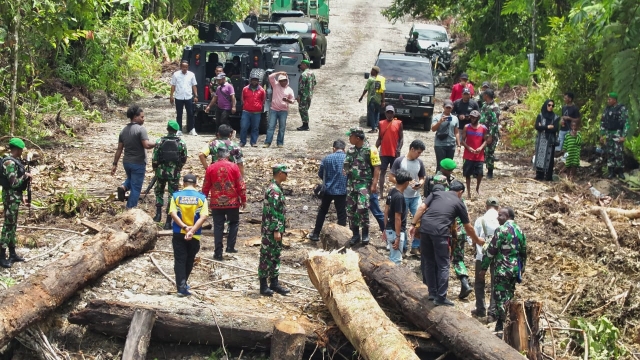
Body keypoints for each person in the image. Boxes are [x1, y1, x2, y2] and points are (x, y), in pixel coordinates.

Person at [409, 180, 483, 306]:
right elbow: (468, 226)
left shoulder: (436, 193)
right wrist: (477, 240)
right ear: (460, 192)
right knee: (443, 264)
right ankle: (441, 297)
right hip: (440, 232)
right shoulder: (459, 202)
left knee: (429, 261)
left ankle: (432, 293)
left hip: (425, 230)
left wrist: (413, 224)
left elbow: (422, 207)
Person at [479, 207, 527, 333]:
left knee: (500, 299)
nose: (497, 217)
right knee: (509, 297)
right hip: (514, 270)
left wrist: (483, 268)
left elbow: (491, 250)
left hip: (502, 270)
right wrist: (522, 270)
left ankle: (507, 326)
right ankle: (501, 325)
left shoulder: (501, 230)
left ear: (507, 217)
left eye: (500, 215)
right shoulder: (520, 231)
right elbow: (524, 253)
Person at [202, 147, 247, 260]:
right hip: (232, 201)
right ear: (228, 156)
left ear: (217, 156)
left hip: (216, 202)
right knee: (234, 222)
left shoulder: (211, 167)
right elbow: (240, 184)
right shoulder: (234, 167)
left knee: (218, 226)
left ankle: (218, 252)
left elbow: (206, 185)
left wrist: (203, 199)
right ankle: (230, 246)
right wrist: (243, 199)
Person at [169, 174, 208, 296]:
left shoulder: (176, 196)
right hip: (195, 235)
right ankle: (183, 284)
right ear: (196, 184)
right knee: (189, 259)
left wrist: (185, 227)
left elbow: (173, 214)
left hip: (179, 233)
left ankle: (181, 286)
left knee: (180, 260)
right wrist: (192, 230)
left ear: (183, 183)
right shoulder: (201, 198)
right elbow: (204, 216)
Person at [112, 105, 156, 209]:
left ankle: (123, 187)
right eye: (142, 117)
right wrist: (157, 143)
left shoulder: (123, 131)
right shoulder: (141, 130)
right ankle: (130, 208)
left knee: (131, 179)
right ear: (135, 117)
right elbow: (146, 145)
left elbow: (119, 149)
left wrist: (115, 164)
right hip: (138, 162)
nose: (143, 119)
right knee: (136, 187)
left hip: (126, 162)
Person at [344, 127, 381, 246]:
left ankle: (365, 233)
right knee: (351, 210)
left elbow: (377, 167)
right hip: (351, 184)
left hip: (364, 184)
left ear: (358, 138)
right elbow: (346, 166)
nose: (349, 138)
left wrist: (374, 184)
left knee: (362, 208)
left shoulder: (371, 149)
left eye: (351, 136)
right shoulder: (350, 150)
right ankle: (355, 234)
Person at [389, 140, 426, 255]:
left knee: (420, 220)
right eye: (418, 152)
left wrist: (420, 184)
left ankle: (415, 246)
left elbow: (422, 177)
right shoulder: (400, 161)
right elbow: (391, 177)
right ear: (412, 149)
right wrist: (403, 183)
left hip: (415, 196)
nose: (419, 155)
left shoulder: (419, 162)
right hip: (402, 196)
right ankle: (403, 247)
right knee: (401, 222)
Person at [258, 164, 290, 296]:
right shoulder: (273, 190)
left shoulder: (277, 188)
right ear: (280, 173)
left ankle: (274, 283)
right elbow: (272, 211)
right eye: (285, 173)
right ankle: (263, 285)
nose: (287, 175)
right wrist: (276, 229)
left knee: (275, 255)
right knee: (267, 256)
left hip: (276, 228)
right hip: (271, 230)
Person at [0, 138, 31, 268]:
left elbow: (18, 186)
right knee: (8, 226)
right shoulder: (8, 162)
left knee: (13, 226)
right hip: (10, 197)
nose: (22, 152)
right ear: (17, 149)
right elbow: (13, 183)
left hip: (15, 197)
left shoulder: (15, 161)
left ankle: (12, 253)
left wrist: (23, 197)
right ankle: (1, 255)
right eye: (21, 149)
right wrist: (26, 176)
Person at [152, 120, 188, 229]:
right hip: (174, 173)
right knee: (172, 196)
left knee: (159, 191)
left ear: (167, 129)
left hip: (161, 172)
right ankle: (168, 221)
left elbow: (154, 158)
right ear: (176, 130)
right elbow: (183, 159)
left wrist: (156, 169)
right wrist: (178, 168)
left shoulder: (159, 141)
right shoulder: (181, 143)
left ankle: (158, 215)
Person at [310, 140, 348, 241]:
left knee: (322, 211)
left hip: (328, 189)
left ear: (333, 148)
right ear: (344, 149)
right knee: (341, 214)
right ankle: (342, 237)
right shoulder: (347, 158)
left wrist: (328, 180)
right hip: (342, 190)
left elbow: (320, 173)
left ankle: (316, 234)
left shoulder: (327, 158)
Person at [471, 197, 501, 321]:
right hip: (497, 256)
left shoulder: (480, 220)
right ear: (498, 207)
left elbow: (473, 238)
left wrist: (476, 244)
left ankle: (480, 309)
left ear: (486, 206)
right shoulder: (501, 220)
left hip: (481, 255)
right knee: (495, 283)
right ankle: (492, 313)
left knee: (479, 282)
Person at [383, 169, 413, 265]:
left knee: (392, 256)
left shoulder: (392, 191)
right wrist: (398, 236)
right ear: (406, 182)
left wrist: (385, 228)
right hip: (395, 231)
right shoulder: (399, 197)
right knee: (396, 260)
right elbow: (397, 218)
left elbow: (386, 210)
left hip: (389, 229)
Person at [376, 105, 404, 197]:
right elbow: (380, 138)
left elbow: (401, 138)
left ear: (394, 113)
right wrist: (374, 148)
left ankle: (396, 192)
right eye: (388, 112)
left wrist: (398, 149)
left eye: (391, 112)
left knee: (395, 173)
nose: (389, 114)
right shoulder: (381, 123)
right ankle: (381, 193)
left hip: (394, 152)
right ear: (385, 113)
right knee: (382, 172)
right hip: (383, 152)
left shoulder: (398, 123)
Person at [600, 92, 629, 179]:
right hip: (609, 134)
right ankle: (611, 171)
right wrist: (602, 135)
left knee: (618, 153)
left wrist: (624, 136)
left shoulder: (622, 108)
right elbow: (603, 122)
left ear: (614, 100)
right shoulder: (607, 109)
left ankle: (620, 171)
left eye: (609, 99)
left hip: (618, 134)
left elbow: (626, 123)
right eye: (608, 99)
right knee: (610, 153)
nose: (608, 101)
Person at [461, 110, 489, 198]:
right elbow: (462, 140)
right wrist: (469, 148)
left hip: (479, 155)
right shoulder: (467, 127)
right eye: (471, 117)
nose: (472, 119)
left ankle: (477, 188)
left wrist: (480, 148)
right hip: (468, 154)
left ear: (478, 118)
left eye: (474, 117)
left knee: (480, 173)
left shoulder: (483, 128)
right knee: (467, 174)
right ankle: (468, 191)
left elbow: (485, 140)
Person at [264, 72, 295, 148]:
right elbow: (270, 77)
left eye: (284, 80)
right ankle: (267, 142)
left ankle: (280, 143)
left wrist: (287, 100)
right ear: (279, 81)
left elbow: (293, 100)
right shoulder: (275, 85)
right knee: (271, 126)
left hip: (283, 111)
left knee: (282, 127)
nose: (283, 82)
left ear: (287, 81)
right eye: (281, 80)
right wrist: (279, 72)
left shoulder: (289, 90)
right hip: (274, 109)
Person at [170, 60, 198, 136]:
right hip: (179, 97)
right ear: (181, 67)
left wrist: (196, 96)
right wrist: (171, 96)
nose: (185, 68)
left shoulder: (191, 75)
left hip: (188, 96)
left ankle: (192, 129)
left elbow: (194, 85)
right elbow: (173, 85)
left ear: (188, 67)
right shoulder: (176, 74)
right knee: (179, 114)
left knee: (190, 113)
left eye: (186, 67)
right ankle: (179, 130)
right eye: (183, 67)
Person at [534, 99, 560, 181]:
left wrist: (543, 127)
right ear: (546, 105)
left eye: (552, 105)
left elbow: (555, 128)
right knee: (540, 157)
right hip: (541, 140)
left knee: (550, 158)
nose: (551, 107)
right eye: (549, 105)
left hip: (550, 141)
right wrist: (547, 127)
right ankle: (539, 175)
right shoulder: (540, 115)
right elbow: (537, 127)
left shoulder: (555, 117)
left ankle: (548, 176)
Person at [431, 100, 460, 172]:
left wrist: (458, 145)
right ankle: (438, 180)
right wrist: (440, 122)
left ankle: (447, 180)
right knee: (440, 165)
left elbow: (456, 132)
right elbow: (433, 129)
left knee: (449, 165)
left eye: (449, 108)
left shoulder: (455, 118)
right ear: (443, 107)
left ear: (452, 108)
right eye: (447, 107)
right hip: (440, 144)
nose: (448, 109)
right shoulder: (437, 117)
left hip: (451, 144)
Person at [240, 72, 266, 147]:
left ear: (258, 81)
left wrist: (258, 106)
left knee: (255, 128)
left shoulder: (262, 90)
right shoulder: (245, 89)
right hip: (246, 111)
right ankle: (242, 142)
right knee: (244, 127)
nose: (254, 81)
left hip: (256, 112)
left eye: (256, 80)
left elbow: (263, 100)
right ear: (250, 80)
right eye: (253, 80)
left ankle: (253, 142)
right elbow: (243, 99)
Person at [479, 90, 500, 179]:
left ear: (486, 95)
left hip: (491, 133)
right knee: (480, 152)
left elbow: (494, 123)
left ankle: (490, 171)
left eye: (483, 94)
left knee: (489, 153)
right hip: (482, 132)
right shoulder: (484, 105)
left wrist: (491, 135)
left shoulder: (494, 107)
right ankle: (478, 171)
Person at [359, 66, 386, 133]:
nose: (371, 71)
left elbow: (366, 89)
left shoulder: (370, 79)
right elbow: (383, 91)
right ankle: (376, 127)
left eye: (372, 70)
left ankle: (373, 128)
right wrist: (383, 101)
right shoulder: (381, 79)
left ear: (375, 72)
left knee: (371, 113)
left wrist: (362, 96)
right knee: (377, 113)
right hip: (378, 100)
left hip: (371, 99)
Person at [296, 60, 317, 131]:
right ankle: (305, 125)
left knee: (302, 110)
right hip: (309, 95)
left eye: (301, 65)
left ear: (305, 65)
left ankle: (305, 125)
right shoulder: (312, 73)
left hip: (303, 95)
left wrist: (299, 96)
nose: (300, 66)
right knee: (305, 109)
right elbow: (314, 83)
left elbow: (301, 87)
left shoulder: (303, 75)